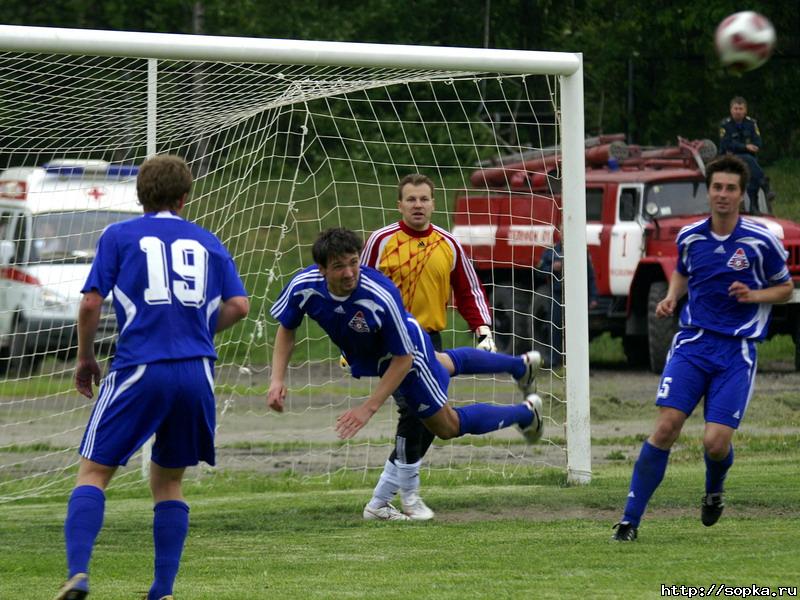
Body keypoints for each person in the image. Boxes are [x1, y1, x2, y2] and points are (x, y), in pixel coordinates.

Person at [55, 155, 250, 599]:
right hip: (197, 371)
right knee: (169, 482)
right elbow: (239, 306)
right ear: (185, 197)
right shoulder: (208, 241)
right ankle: (162, 590)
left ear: (140, 195)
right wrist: (198, 330)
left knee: (93, 473)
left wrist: (85, 357)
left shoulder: (119, 236)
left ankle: (78, 573)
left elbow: (89, 304)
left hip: (141, 366)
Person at [267, 228, 543, 504]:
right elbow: (287, 327)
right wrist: (277, 380)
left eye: (354, 262)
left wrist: (368, 407)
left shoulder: (380, 295)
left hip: (409, 353)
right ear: (322, 269)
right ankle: (519, 366)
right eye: (339, 266)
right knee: (444, 363)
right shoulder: (303, 286)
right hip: (377, 354)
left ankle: (526, 413)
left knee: (445, 426)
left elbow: (403, 359)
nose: (350, 272)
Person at [611, 155, 792, 542]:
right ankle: (629, 520)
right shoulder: (691, 236)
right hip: (693, 343)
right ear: (708, 191)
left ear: (741, 196)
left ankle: (714, 490)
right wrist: (672, 297)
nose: (723, 195)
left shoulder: (761, 242)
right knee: (666, 427)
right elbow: (682, 271)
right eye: (717, 187)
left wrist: (754, 294)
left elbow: (786, 288)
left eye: (730, 189)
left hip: (736, 352)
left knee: (714, 443)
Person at [358, 173, 498, 521]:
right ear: (399, 205)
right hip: (390, 343)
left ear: (433, 204)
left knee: (432, 419)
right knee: (416, 414)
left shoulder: (449, 244)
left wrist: (483, 330)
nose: (417, 205)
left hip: (430, 342)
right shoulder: (381, 241)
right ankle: (401, 498)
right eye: (411, 199)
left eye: (423, 199)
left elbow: (469, 290)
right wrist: (354, 343)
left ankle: (382, 500)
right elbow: (357, 293)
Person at [536, 239, 598, 369]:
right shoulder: (551, 251)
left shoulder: (580, 250)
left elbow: (589, 275)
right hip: (557, 294)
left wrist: (593, 297)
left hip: (576, 296)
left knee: (577, 330)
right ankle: (554, 360)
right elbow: (539, 271)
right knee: (555, 326)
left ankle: (578, 363)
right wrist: (552, 267)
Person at [719, 96, 764, 213]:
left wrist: (753, 147)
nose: (738, 111)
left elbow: (758, 141)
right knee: (748, 160)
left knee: (752, 174)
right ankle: (764, 183)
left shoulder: (751, 123)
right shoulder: (725, 125)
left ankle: (753, 205)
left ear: (745, 111)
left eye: (740, 109)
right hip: (729, 159)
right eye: (735, 108)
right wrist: (745, 147)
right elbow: (726, 144)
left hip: (749, 159)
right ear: (731, 110)